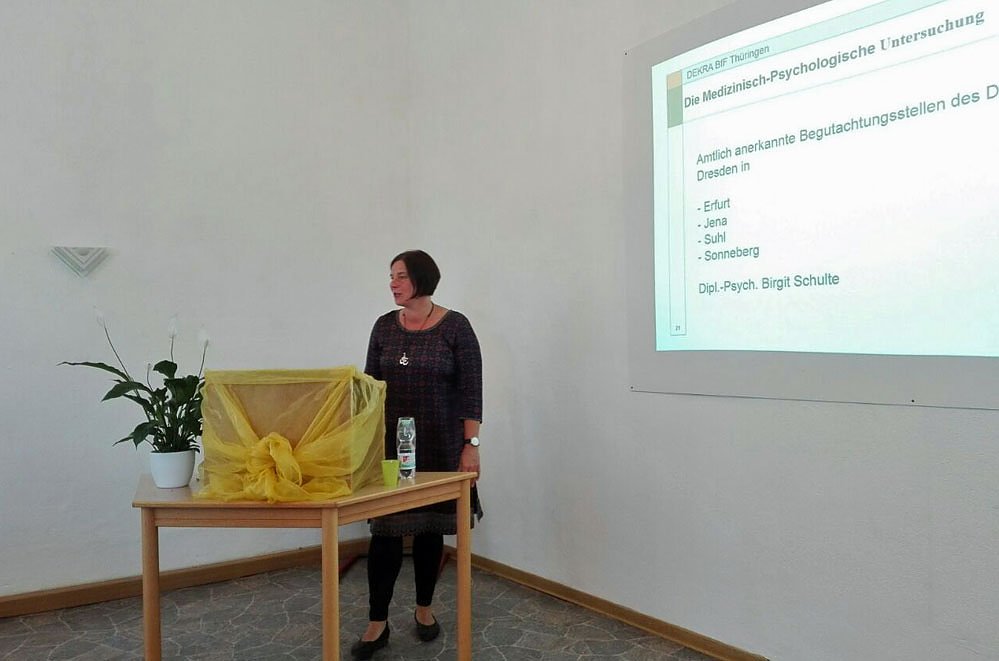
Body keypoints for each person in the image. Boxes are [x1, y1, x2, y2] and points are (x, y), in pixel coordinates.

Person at [351, 249, 483, 659]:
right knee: (385, 534)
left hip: (440, 445)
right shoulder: (383, 327)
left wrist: (471, 447)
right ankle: (377, 622)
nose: (392, 283)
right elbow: (370, 388)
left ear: (421, 279)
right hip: (392, 448)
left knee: (429, 530)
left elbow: (471, 392)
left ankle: (424, 609)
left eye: (401, 276)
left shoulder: (456, 327)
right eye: (391, 276)